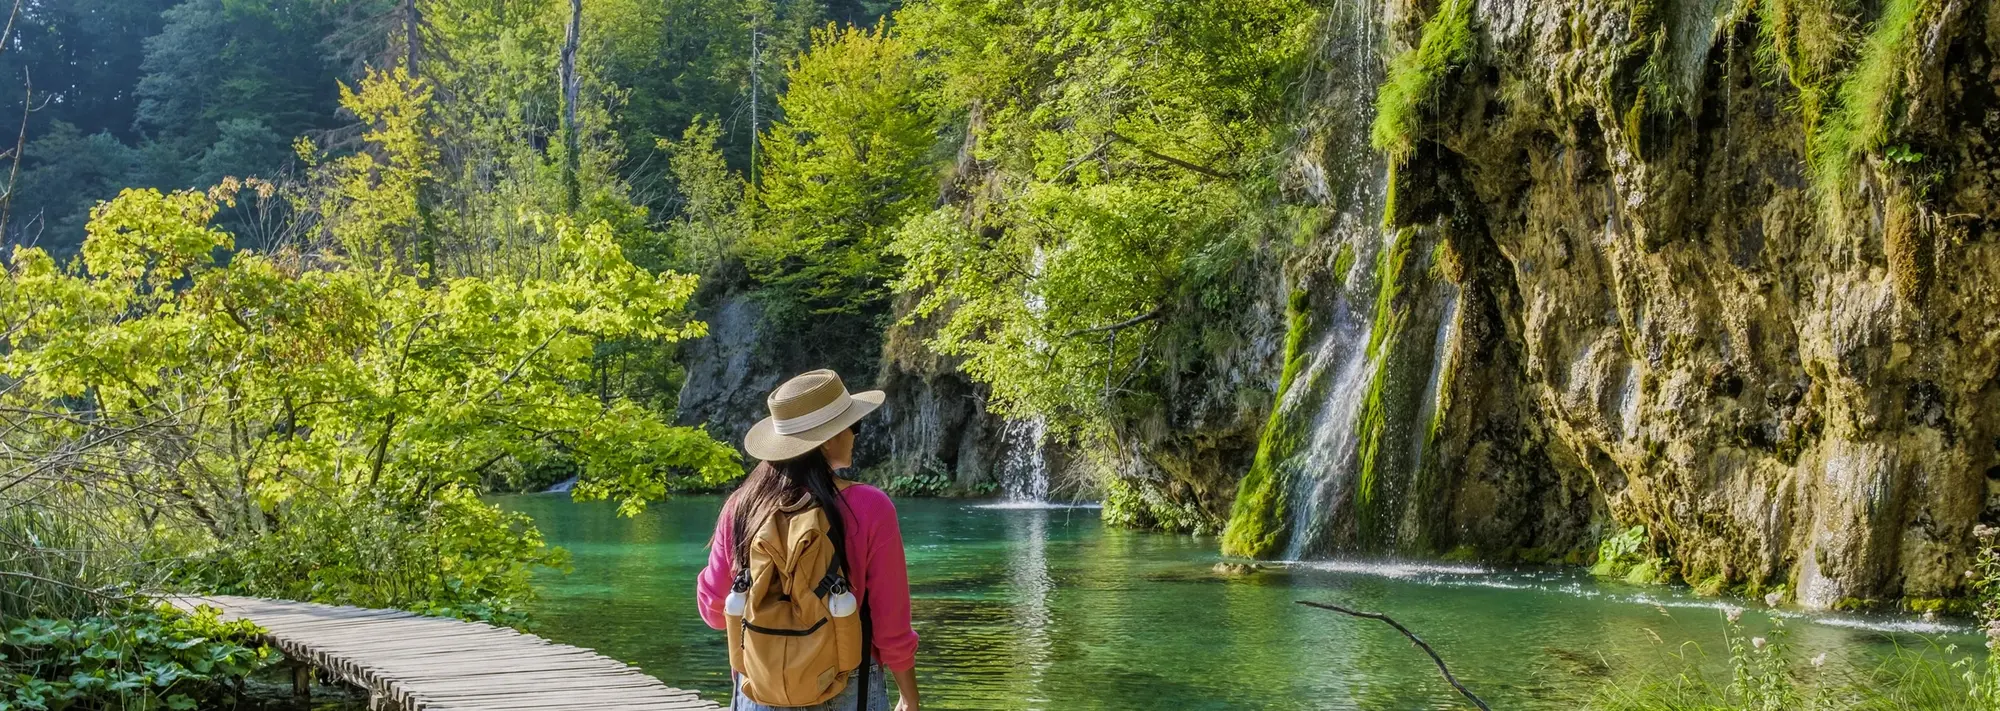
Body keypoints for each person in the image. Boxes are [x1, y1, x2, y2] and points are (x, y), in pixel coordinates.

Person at [697, 369, 921, 711]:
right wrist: (909, 695)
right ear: (828, 439)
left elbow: (715, 611)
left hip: (758, 686)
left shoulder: (742, 506)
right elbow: (891, 627)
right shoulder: (871, 507)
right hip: (847, 683)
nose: (856, 436)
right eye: (853, 427)